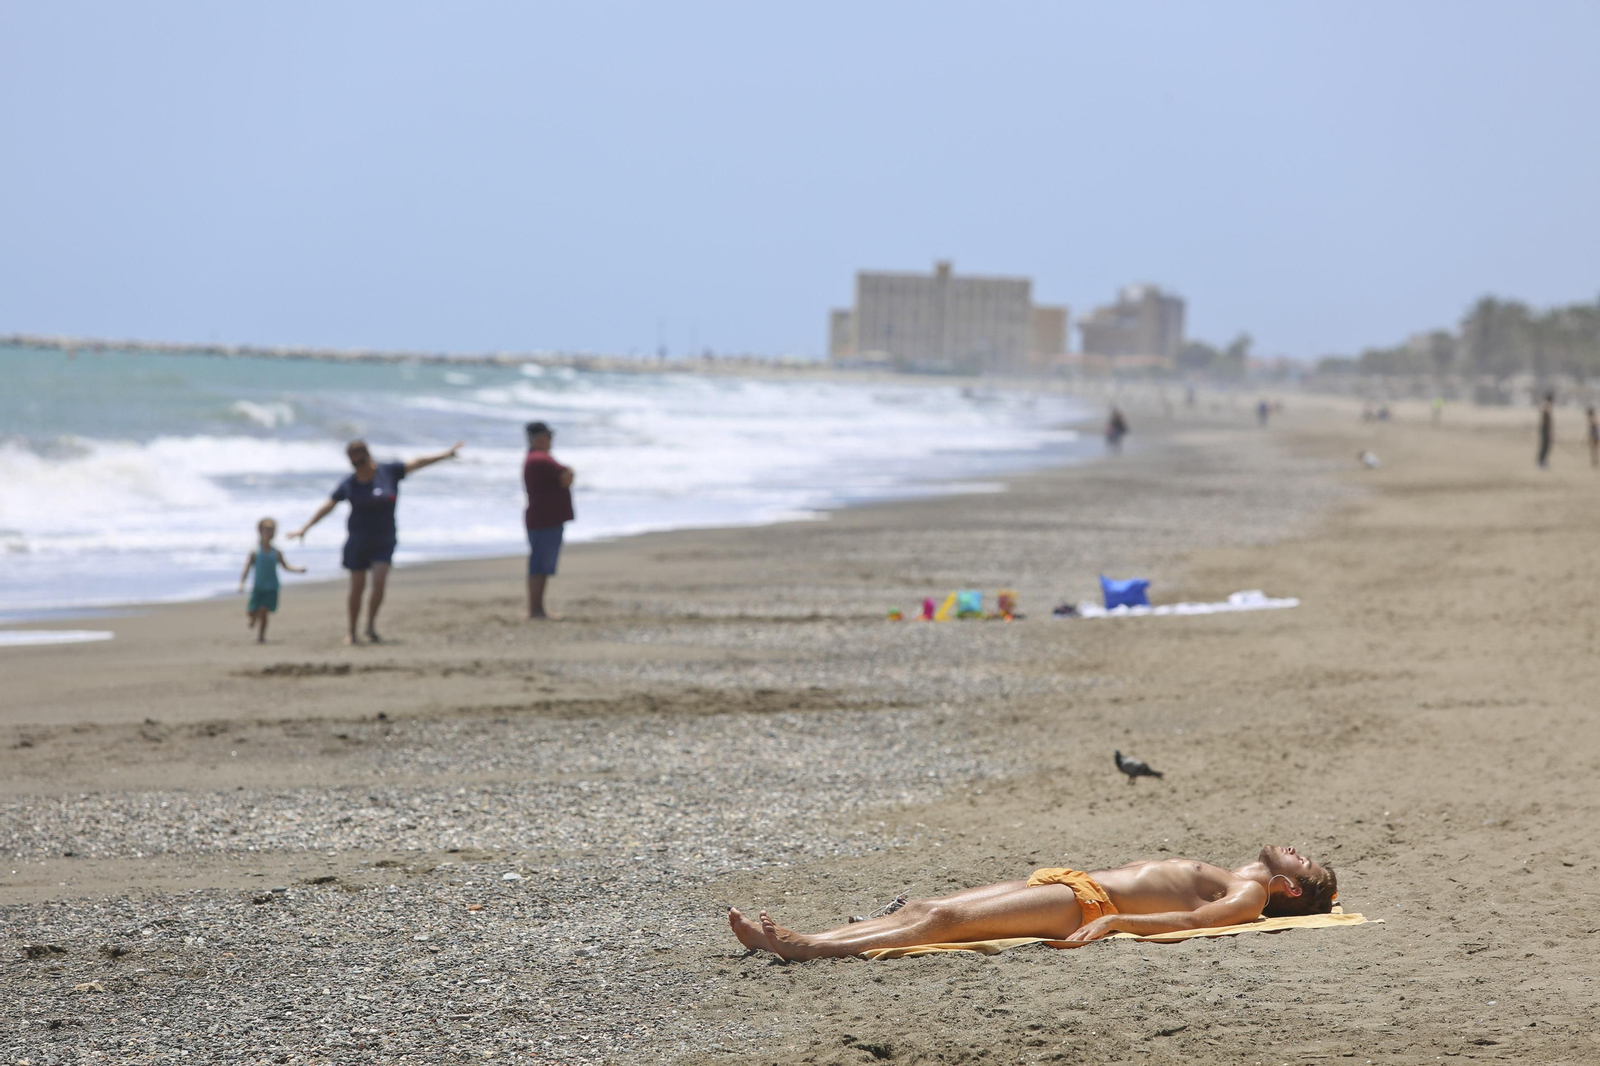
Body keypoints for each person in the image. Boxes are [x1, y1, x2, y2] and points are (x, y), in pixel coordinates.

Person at [729, 844, 1336, 961]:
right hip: (1070, 881)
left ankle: (810, 950)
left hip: (1087, 905)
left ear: (1289, 889)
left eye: (1304, 863)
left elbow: (1195, 920)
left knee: (940, 921)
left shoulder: (1250, 892)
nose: (1295, 849)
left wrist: (1118, 922)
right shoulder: (1237, 872)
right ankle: (807, 935)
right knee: (926, 906)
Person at [288, 438, 463, 644]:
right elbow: (328, 505)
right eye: (354, 463)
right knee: (357, 587)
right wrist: (305, 528)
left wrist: (445, 455)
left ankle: (370, 625)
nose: (358, 466)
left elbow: (417, 462)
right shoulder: (350, 483)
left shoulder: (388, 473)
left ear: (368, 456)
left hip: (384, 539)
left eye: (361, 461)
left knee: (379, 581)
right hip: (357, 541)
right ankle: (352, 632)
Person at [522, 421, 575, 620]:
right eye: (549, 436)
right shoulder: (539, 459)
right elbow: (567, 473)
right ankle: (536, 611)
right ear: (540, 438)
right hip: (543, 520)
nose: (551, 440)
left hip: (544, 519)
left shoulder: (536, 459)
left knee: (542, 566)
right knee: (539, 565)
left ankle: (538, 610)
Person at [238, 517, 305, 644]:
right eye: (268, 530)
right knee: (252, 612)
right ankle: (253, 618)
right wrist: (242, 583)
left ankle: (261, 637)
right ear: (260, 531)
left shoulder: (276, 551)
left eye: (273, 530)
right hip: (258, 587)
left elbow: (285, 566)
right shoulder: (255, 551)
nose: (270, 533)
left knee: (264, 611)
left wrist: (297, 570)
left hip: (272, 587)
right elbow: (246, 568)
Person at [1537, 393, 1554, 469]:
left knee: (1547, 446)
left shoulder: (1548, 407)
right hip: (1544, 429)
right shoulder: (1545, 406)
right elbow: (1542, 409)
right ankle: (1541, 462)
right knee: (1544, 446)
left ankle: (1543, 461)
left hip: (1547, 429)